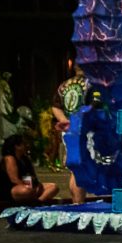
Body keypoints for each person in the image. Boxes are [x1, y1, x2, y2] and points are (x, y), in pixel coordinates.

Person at [51, 65, 90, 204]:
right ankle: (79, 203)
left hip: (69, 130)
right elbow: (94, 106)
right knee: (80, 168)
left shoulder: (64, 85)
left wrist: (65, 121)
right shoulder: (90, 84)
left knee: (75, 169)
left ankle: (77, 202)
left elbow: (55, 106)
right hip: (84, 130)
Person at [0, 134, 59, 205]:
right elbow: (14, 180)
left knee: (53, 187)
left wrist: (36, 185)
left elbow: (30, 176)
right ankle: (33, 196)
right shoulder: (10, 158)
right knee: (27, 190)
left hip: (27, 186)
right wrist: (31, 188)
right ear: (17, 146)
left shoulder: (25, 159)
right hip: (10, 188)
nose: (27, 145)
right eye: (24, 144)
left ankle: (38, 202)